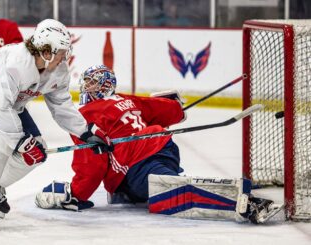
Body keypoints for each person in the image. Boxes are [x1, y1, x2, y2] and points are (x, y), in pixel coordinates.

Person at [35, 65, 282, 224]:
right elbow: (157, 109)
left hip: (139, 162)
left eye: (91, 82)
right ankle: (148, 188)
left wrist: (76, 195)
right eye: (86, 81)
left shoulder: (84, 116)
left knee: (174, 193)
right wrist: (176, 109)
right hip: (162, 146)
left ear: (103, 85)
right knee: (166, 182)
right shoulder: (124, 100)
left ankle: (241, 201)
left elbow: (92, 162)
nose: (85, 86)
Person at [0, 20, 110, 223]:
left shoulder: (57, 70)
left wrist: (86, 133)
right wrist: (21, 142)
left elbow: (61, 105)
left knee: (37, 152)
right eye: (61, 52)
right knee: (1, 143)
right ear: (45, 51)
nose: (64, 58)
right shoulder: (16, 62)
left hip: (10, 103)